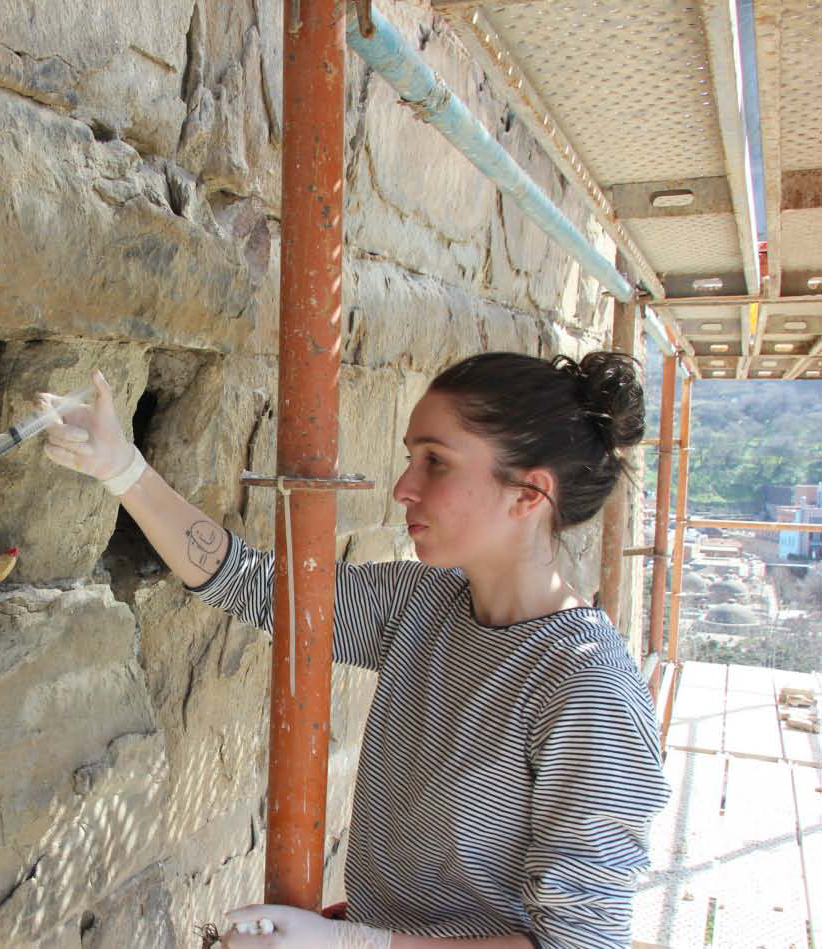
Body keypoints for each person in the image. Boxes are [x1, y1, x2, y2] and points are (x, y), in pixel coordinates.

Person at [42, 353, 672, 949]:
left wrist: (349, 943)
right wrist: (122, 468)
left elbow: (582, 941)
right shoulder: (423, 604)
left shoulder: (589, 690)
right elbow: (254, 584)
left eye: (436, 462)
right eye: (410, 458)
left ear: (528, 495)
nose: (403, 488)